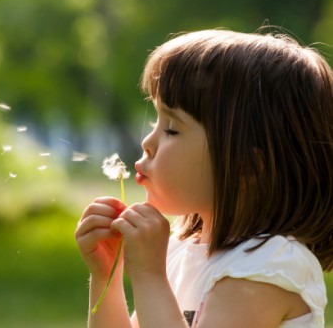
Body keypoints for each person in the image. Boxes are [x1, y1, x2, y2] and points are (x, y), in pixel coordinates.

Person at [75, 29, 333, 328]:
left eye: (172, 129)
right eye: (155, 121)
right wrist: (106, 274)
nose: (147, 141)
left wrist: (149, 275)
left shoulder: (267, 266)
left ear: (246, 165)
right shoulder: (181, 250)